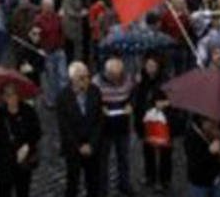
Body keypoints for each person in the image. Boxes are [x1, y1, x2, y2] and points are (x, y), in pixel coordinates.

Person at [0, 81, 42, 197]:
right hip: (4, 163)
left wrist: (27, 146)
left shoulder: (28, 111)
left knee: (23, 191)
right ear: (3, 97)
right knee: (4, 192)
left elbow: (37, 132)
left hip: (23, 162)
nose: (12, 97)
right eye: (8, 94)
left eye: (14, 93)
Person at [56, 61, 103, 197]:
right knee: (72, 183)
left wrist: (91, 144)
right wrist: (79, 146)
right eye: (81, 78)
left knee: (93, 182)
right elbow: (65, 128)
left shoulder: (95, 91)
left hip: (92, 147)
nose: (86, 80)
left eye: (87, 76)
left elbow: (99, 121)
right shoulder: (63, 98)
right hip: (73, 148)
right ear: (72, 79)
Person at [93, 56, 135, 196]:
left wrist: (130, 105)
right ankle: (102, 189)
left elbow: (132, 95)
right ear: (107, 72)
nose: (116, 79)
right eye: (113, 76)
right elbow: (91, 103)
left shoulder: (127, 78)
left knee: (124, 158)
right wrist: (100, 108)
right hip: (104, 128)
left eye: (118, 75)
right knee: (102, 161)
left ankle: (124, 184)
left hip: (122, 125)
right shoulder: (96, 82)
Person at [133, 55, 172, 193]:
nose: (150, 68)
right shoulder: (141, 79)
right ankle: (150, 176)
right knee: (147, 149)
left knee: (164, 151)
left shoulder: (166, 80)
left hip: (162, 121)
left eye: (153, 65)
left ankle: (164, 180)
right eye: (148, 65)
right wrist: (136, 85)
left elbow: (175, 99)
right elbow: (136, 99)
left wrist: (165, 103)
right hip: (146, 119)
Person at [185, 116, 220, 197]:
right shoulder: (192, 134)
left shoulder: (218, 129)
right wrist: (209, 152)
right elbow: (194, 161)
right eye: (212, 122)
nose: (216, 124)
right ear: (202, 121)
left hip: (216, 178)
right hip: (199, 182)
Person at [35, 0, 67, 108]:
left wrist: (62, 44)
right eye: (48, 6)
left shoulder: (57, 17)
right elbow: (35, 37)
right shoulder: (38, 20)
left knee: (63, 77)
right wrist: (40, 47)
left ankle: (63, 99)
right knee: (52, 79)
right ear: (43, 7)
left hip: (59, 51)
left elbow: (61, 31)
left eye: (51, 6)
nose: (50, 8)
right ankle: (52, 101)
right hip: (48, 53)